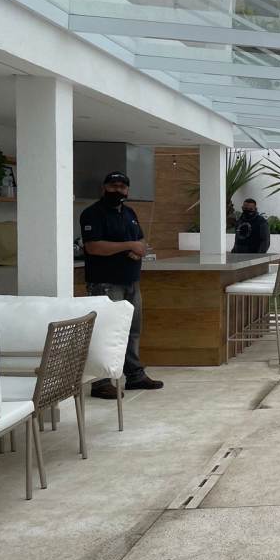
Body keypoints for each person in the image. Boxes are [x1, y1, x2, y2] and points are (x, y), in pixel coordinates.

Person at [80, 171, 163, 399]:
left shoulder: (129, 213)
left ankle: (135, 375)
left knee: (132, 331)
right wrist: (129, 245)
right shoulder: (92, 213)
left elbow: (140, 240)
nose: (118, 190)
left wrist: (139, 249)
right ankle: (101, 383)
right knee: (105, 332)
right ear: (104, 187)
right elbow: (93, 247)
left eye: (122, 187)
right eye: (113, 186)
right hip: (105, 283)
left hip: (131, 281)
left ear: (127, 190)